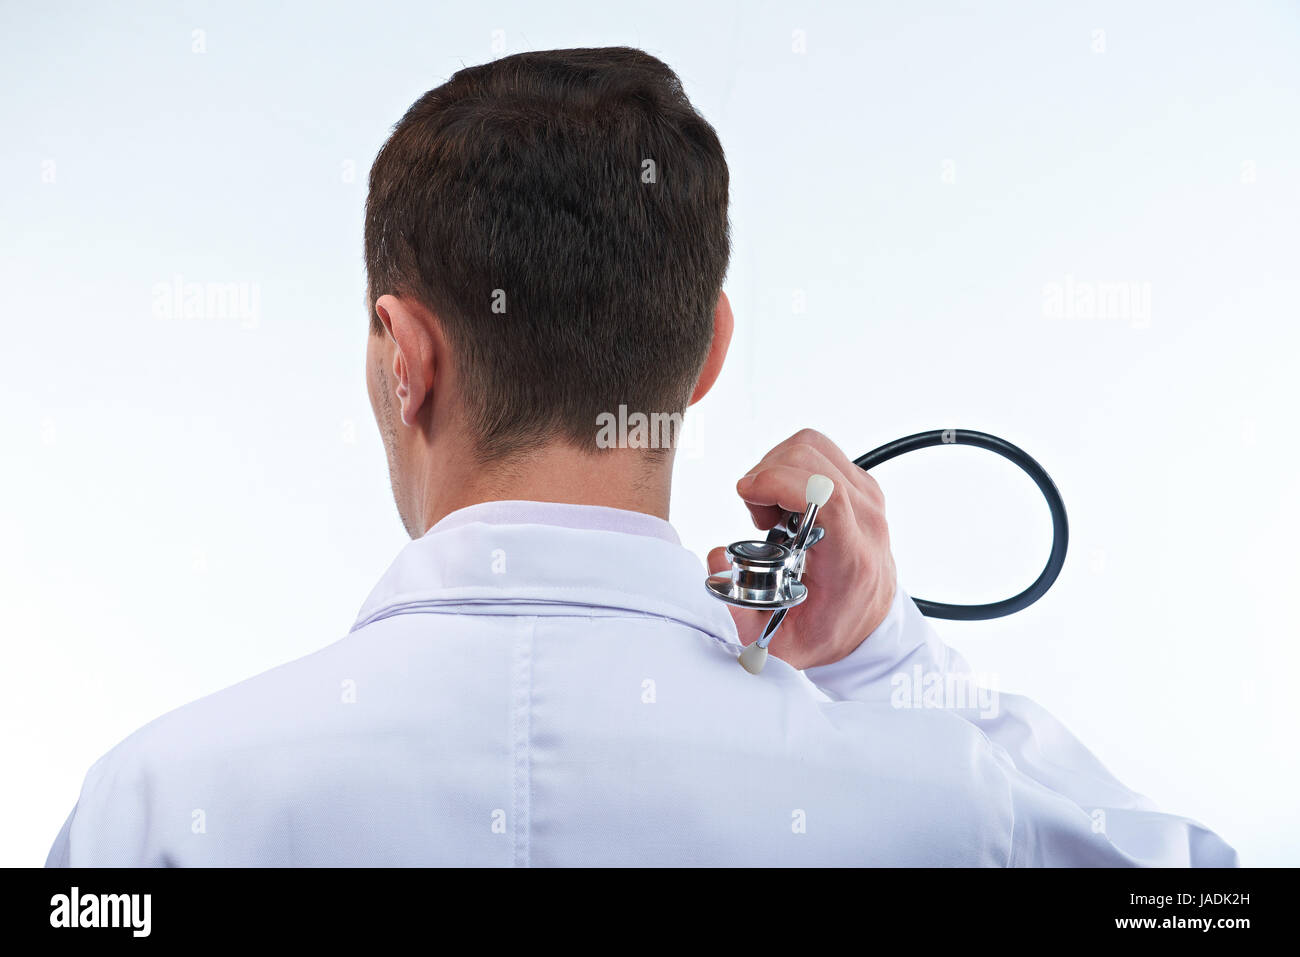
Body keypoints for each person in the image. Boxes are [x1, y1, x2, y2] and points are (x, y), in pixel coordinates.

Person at [47, 46, 1235, 867]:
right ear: (708, 350)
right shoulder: (943, 810)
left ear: (404, 355)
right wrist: (886, 667)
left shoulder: (157, 807)